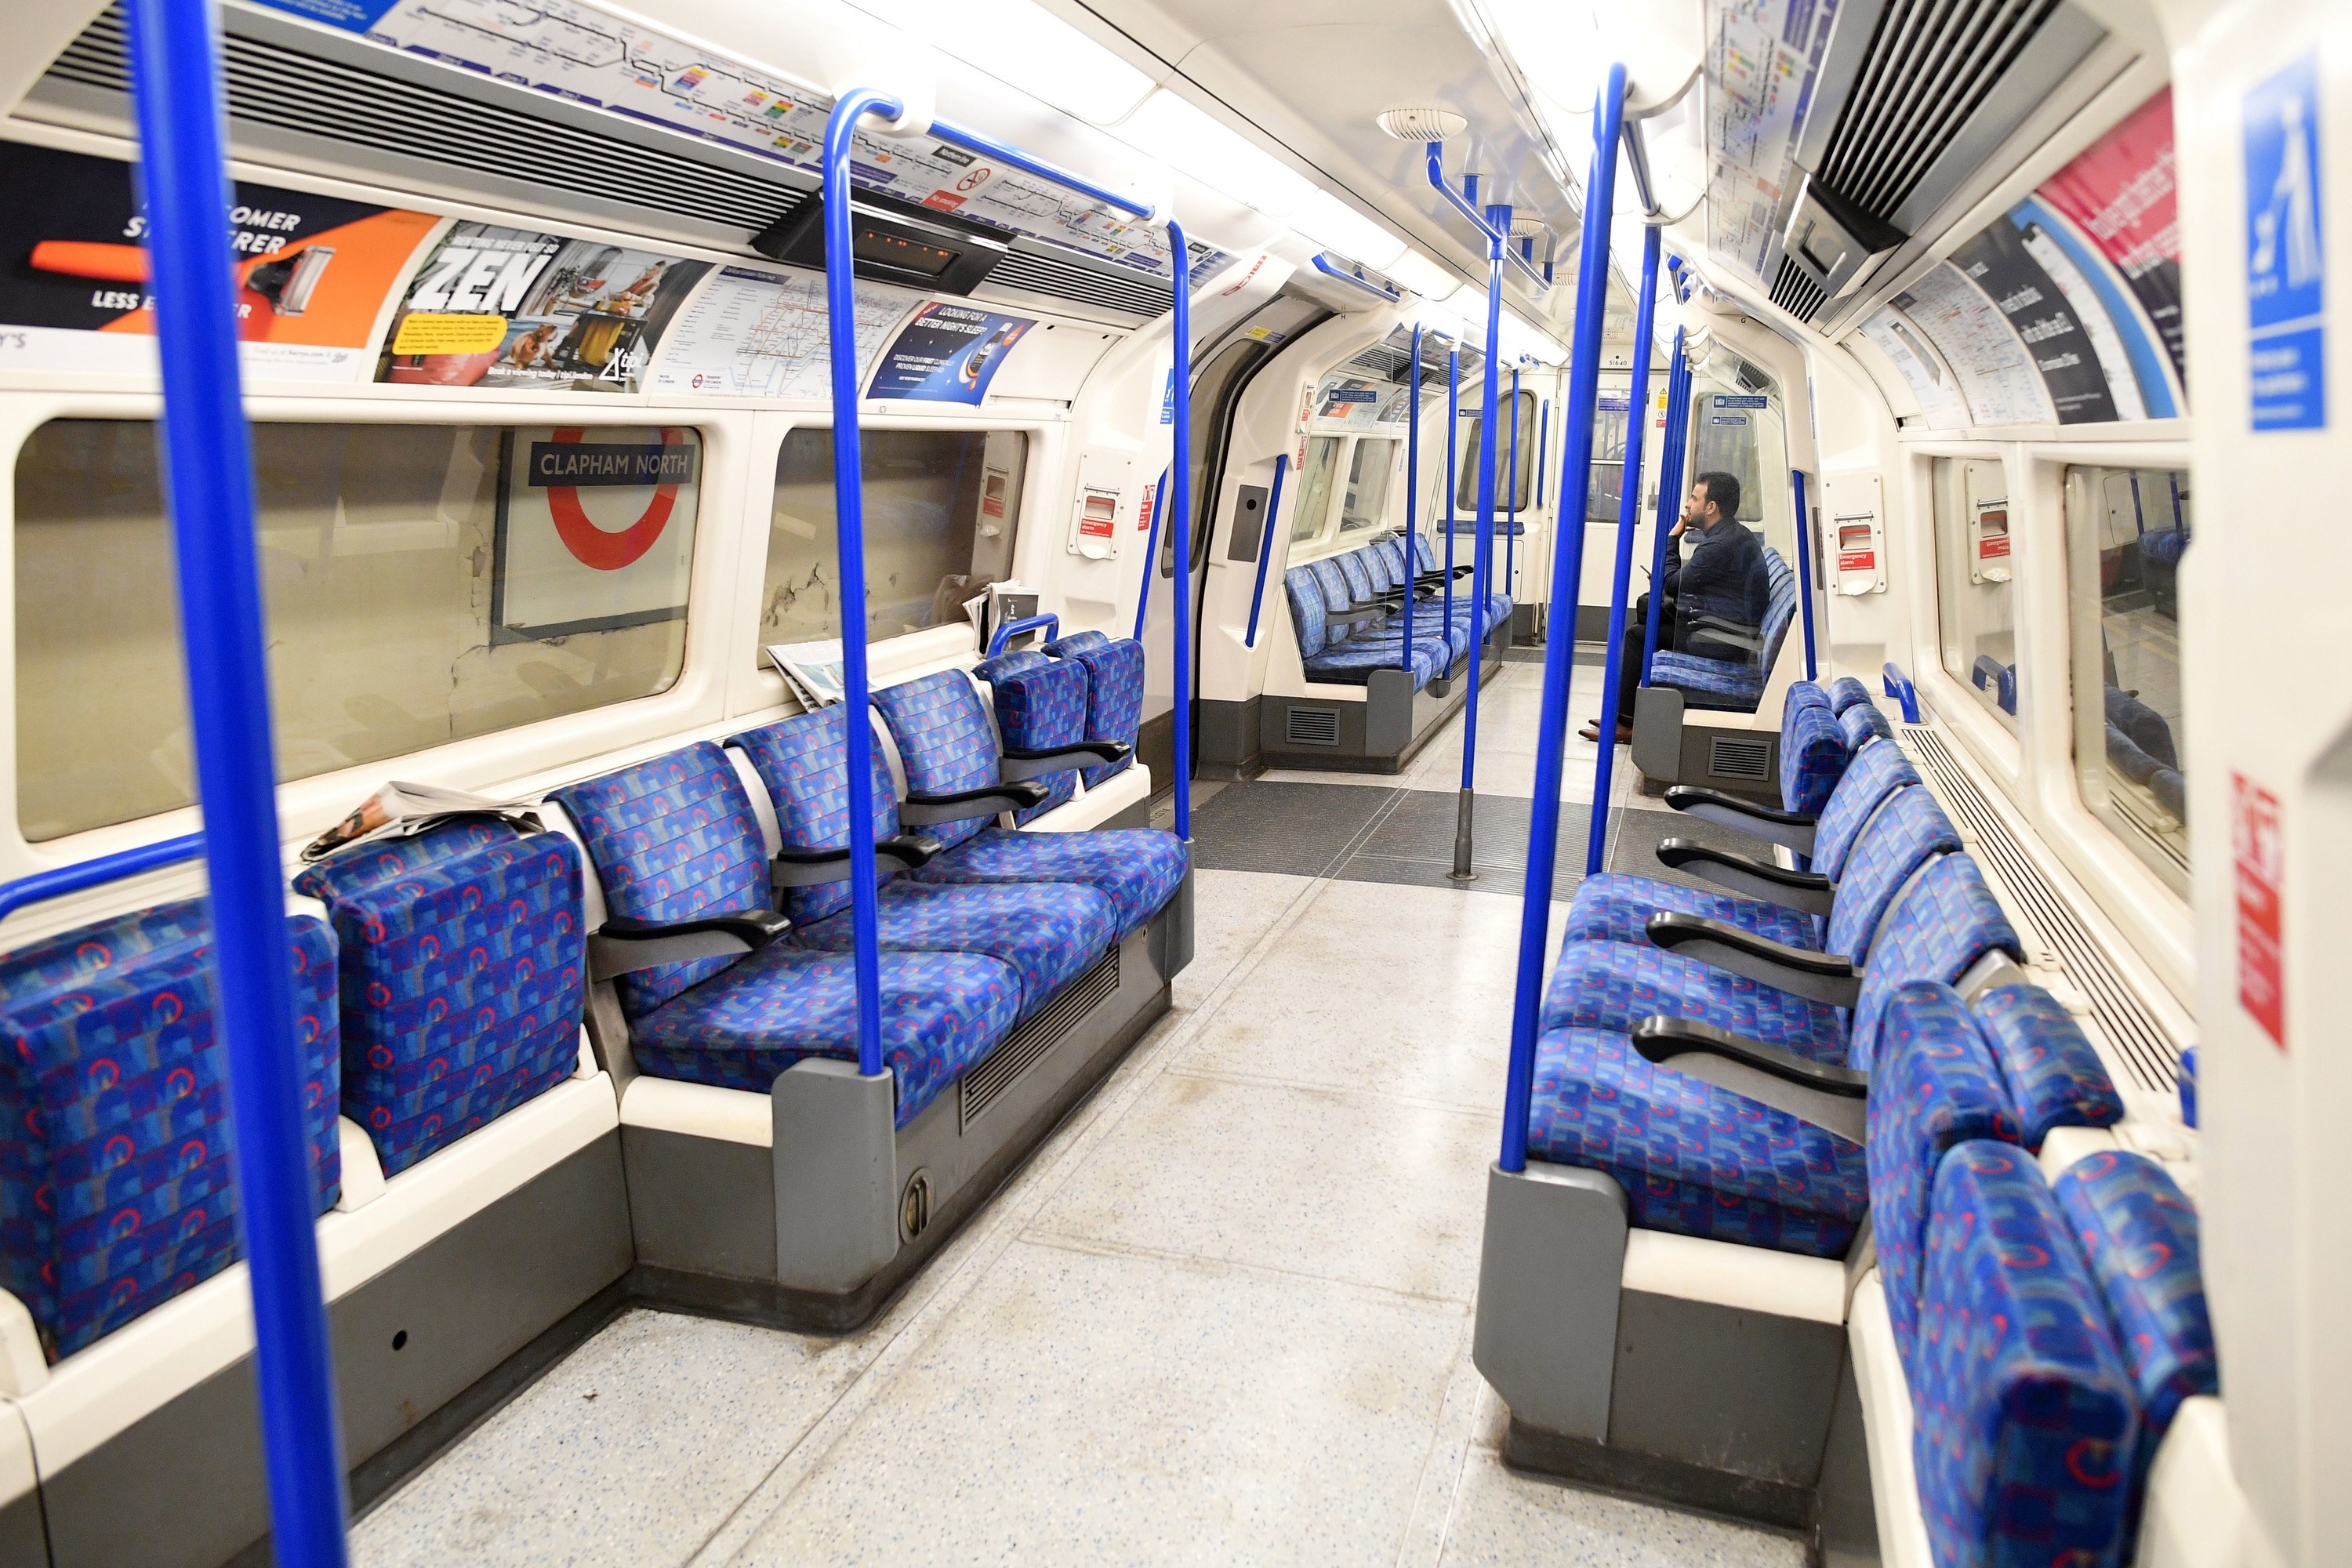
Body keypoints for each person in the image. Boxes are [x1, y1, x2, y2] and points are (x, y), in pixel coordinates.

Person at [1581, 470, 1769, 744]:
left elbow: (1672, 583)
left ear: (1711, 507)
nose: (1687, 505)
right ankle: (1623, 715)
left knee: (1638, 635)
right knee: (1647, 617)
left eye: (1694, 498)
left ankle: (1627, 723)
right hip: (1720, 623)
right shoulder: (1732, 535)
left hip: (1725, 638)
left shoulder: (1719, 544)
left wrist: (1673, 538)